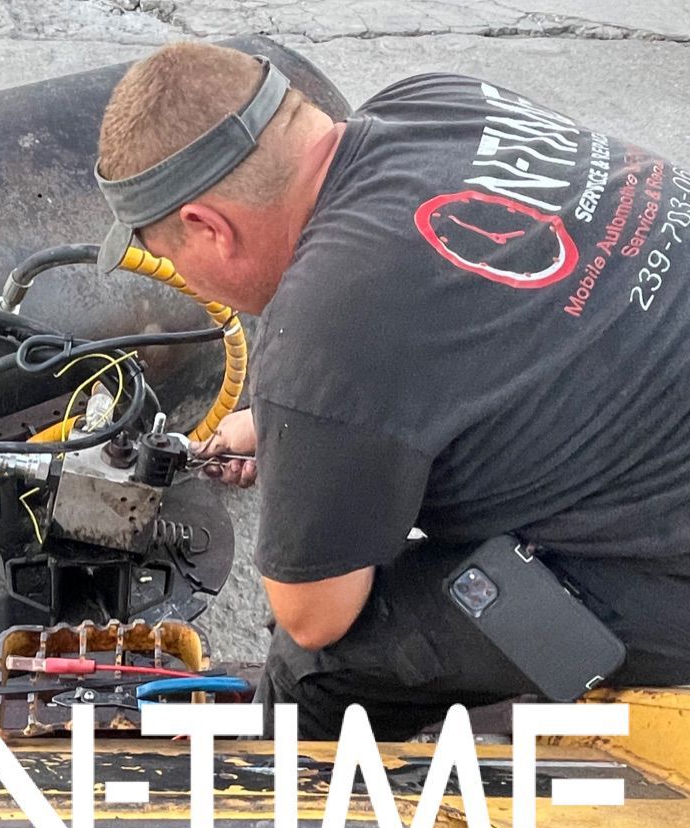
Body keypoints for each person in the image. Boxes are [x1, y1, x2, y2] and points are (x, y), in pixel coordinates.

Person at [93, 42, 690, 740]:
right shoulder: (436, 103)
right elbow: (475, 309)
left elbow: (318, 613)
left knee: (319, 667)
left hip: (664, 572)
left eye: (172, 261)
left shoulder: (325, 335)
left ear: (207, 227)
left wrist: (310, 425)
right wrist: (296, 432)